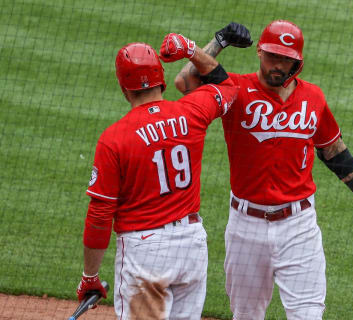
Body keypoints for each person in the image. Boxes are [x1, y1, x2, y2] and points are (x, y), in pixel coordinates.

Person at [175, 20, 353, 319]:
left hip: (298, 227)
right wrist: (219, 41)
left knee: (309, 314)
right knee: (246, 314)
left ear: (296, 62)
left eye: (285, 59)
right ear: (259, 52)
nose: (277, 65)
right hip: (245, 227)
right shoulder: (234, 89)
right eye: (272, 56)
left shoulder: (313, 97)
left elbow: (332, 149)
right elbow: (185, 82)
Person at [75, 33, 238, 320]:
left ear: (124, 87)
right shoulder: (193, 111)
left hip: (145, 254)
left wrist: (90, 276)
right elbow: (227, 86)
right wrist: (191, 50)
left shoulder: (114, 139)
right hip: (191, 245)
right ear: (161, 77)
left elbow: (100, 214)